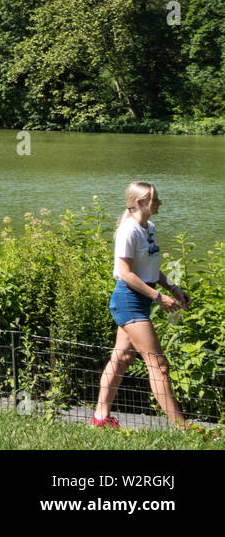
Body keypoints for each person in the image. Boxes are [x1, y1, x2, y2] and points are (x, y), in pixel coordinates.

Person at [93, 181, 192, 429]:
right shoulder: (129, 230)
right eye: (155, 199)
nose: (159, 203)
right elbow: (125, 273)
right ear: (140, 202)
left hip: (139, 300)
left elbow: (150, 269)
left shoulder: (149, 227)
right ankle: (185, 429)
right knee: (159, 365)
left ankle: (100, 419)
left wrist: (173, 288)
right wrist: (158, 297)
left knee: (122, 358)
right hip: (128, 300)